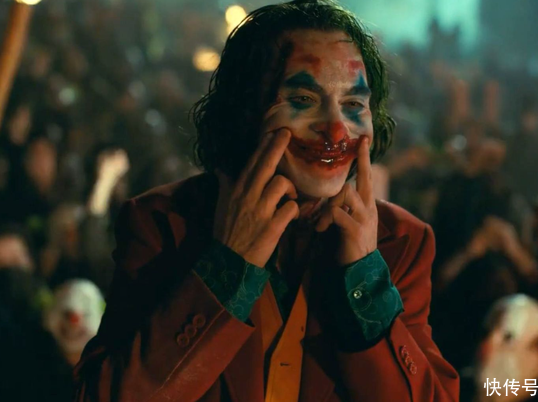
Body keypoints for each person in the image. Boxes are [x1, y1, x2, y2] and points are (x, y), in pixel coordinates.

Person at [73, 1, 459, 401]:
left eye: (353, 105)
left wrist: (365, 278)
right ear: (244, 111)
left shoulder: (401, 242)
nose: (335, 130)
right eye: (303, 99)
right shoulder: (163, 223)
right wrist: (227, 266)